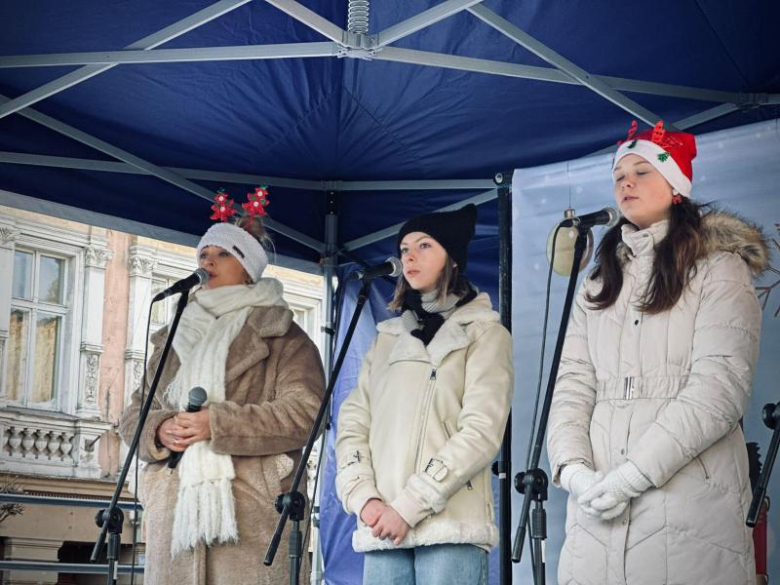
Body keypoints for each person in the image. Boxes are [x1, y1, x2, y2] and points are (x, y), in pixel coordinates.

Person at [547, 121, 768, 585]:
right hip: (596, 512)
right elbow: (571, 384)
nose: (626, 182)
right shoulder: (596, 283)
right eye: (619, 174)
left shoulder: (719, 269)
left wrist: (632, 475)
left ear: (676, 188)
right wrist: (573, 471)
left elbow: (719, 389)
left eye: (642, 171)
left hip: (686, 508)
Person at [119, 212, 325, 585]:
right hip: (174, 511)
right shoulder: (172, 338)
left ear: (248, 268)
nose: (208, 262)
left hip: (251, 511)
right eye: (203, 254)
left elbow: (307, 413)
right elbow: (134, 415)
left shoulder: (282, 335)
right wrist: (160, 429)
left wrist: (218, 423)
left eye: (223, 254)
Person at [335, 204, 514, 585]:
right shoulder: (386, 339)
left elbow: (481, 432)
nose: (409, 256)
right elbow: (353, 423)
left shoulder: (484, 334)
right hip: (381, 525)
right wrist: (364, 497)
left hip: (450, 526)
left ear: (452, 258)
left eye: (424, 245)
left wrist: (411, 504)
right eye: (403, 249)